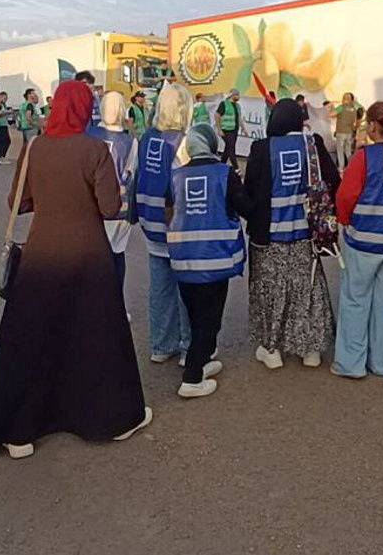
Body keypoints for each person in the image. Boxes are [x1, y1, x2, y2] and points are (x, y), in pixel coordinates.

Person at [0, 81, 152, 459]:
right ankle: (108, 420)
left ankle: (18, 431)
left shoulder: (35, 147)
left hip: (42, 256)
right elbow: (107, 207)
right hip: (89, 258)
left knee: (31, 341)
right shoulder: (94, 150)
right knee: (96, 340)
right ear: (85, 109)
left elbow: (17, 203)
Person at [243, 99, 340, 369]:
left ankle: (272, 348)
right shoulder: (313, 145)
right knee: (308, 289)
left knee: (271, 290)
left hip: (270, 236)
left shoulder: (262, 149)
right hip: (308, 236)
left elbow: (250, 189)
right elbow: (333, 181)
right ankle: (310, 349)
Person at [166, 124, 254, 397]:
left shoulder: (176, 175)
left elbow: (169, 212)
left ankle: (201, 362)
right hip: (216, 260)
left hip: (183, 260)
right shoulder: (225, 173)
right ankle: (192, 379)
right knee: (209, 320)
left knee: (196, 316)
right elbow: (246, 208)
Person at [332, 101, 383, 378]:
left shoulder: (363, 157)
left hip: (363, 240)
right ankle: (382, 362)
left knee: (356, 300)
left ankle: (351, 363)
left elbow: (346, 196)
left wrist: (344, 221)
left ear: (371, 126)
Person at [134, 83, 193, 364]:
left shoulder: (147, 138)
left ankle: (161, 344)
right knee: (186, 288)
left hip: (151, 223)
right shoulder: (183, 142)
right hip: (176, 226)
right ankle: (188, 346)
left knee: (159, 287)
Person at [87, 91, 137, 294]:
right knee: (116, 256)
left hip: (90, 206)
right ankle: (116, 306)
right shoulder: (130, 142)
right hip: (118, 209)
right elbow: (131, 174)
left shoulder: (88, 135)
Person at [215, 90, 245, 165]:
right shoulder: (224, 104)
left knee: (228, 148)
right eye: (237, 95)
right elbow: (217, 115)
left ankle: (221, 165)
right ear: (232, 95)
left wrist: (244, 129)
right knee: (231, 150)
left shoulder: (238, 106)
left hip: (234, 130)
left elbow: (239, 118)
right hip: (226, 130)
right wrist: (219, 130)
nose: (238, 97)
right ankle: (237, 169)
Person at [332, 92, 361, 170]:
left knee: (340, 150)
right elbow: (355, 121)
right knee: (348, 151)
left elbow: (331, 114)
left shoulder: (341, 107)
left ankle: (341, 167)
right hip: (349, 132)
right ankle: (351, 166)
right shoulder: (354, 109)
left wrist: (332, 107)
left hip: (341, 132)